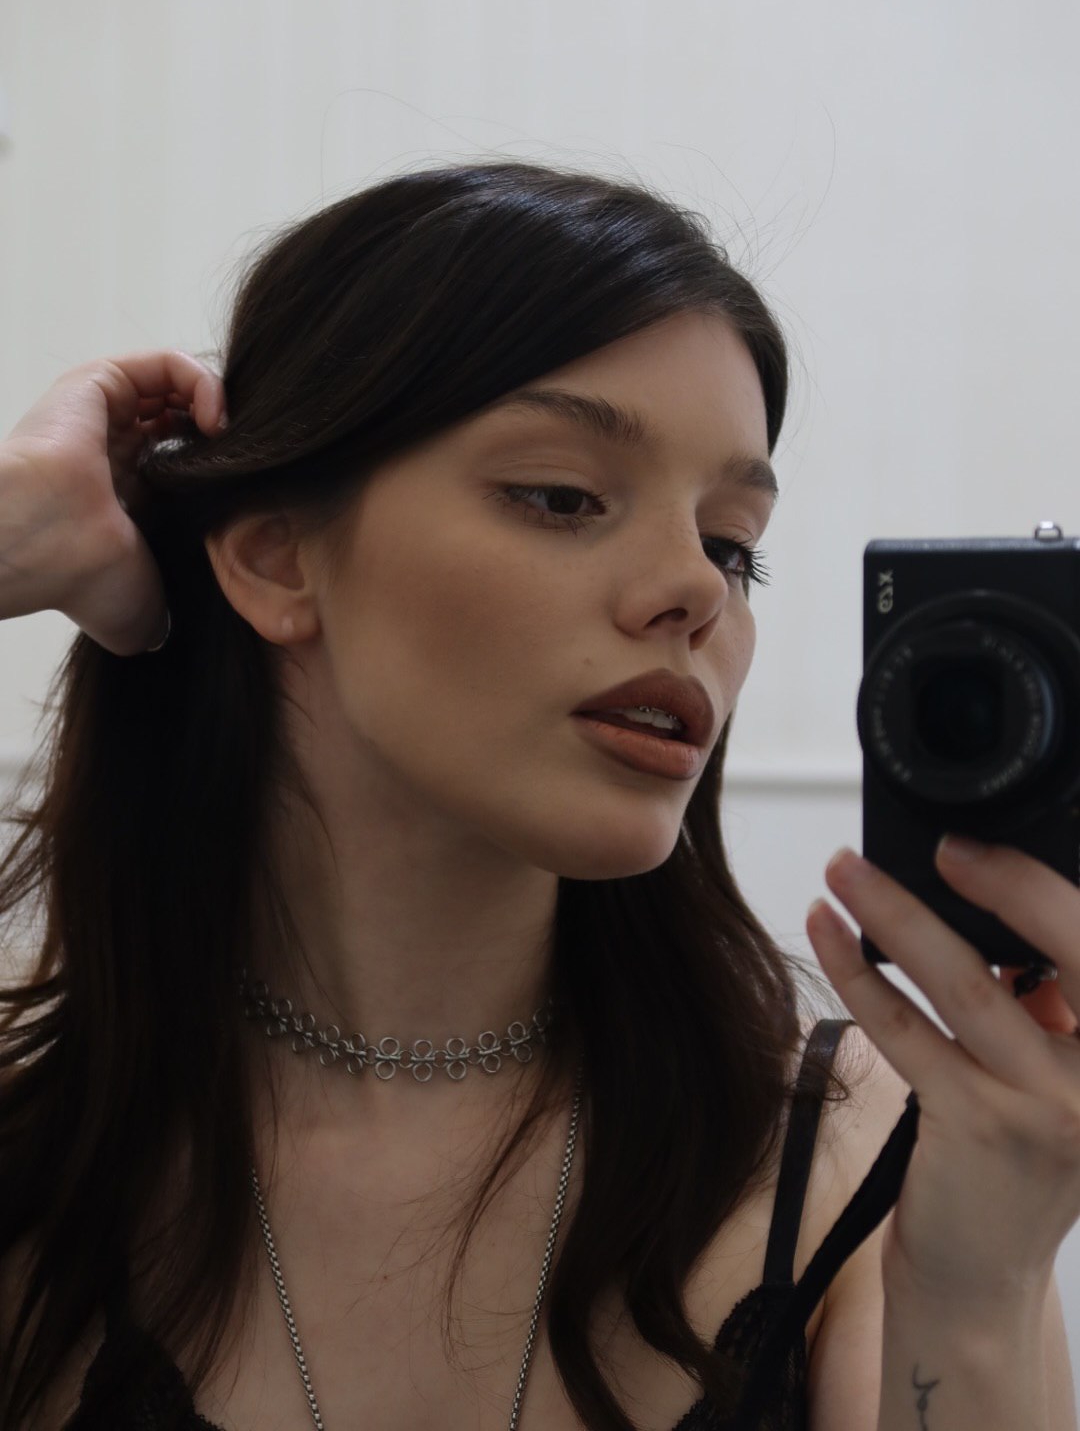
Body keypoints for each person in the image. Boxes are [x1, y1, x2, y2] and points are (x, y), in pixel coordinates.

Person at [0, 161, 1075, 1431]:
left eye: (733, 545)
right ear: (278, 558)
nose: (698, 592)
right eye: (562, 497)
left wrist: (981, 1284)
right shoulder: (37, 1155)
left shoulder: (861, 1153)